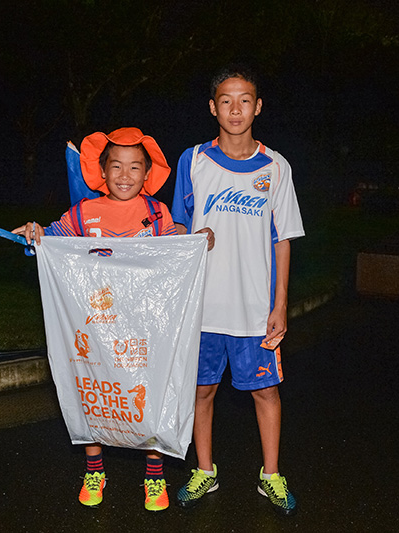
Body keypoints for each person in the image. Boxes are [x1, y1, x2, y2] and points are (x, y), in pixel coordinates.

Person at [13, 127, 213, 512]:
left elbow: (174, 250)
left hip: (144, 327)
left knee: (149, 394)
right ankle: (94, 470)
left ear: (147, 173)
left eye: (135, 166)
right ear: (102, 171)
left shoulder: (157, 213)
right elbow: (54, 238)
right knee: (93, 390)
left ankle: (154, 476)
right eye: (116, 166)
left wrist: (196, 240)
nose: (125, 175)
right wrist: (36, 233)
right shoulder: (83, 213)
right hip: (95, 324)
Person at [170, 65, 305, 516]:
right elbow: (175, 228)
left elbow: (283, 240)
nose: (235, 109)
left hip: (254, 309)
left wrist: (280, 305)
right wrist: (190, 238)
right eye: (225, 100)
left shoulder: (276, 167)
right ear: (212, 108)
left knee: (265, 392)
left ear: (258, 106)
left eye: (244, 100)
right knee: (201, 392)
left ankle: (272, 476)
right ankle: (204, 470)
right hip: (202, 308)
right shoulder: (193, 160)